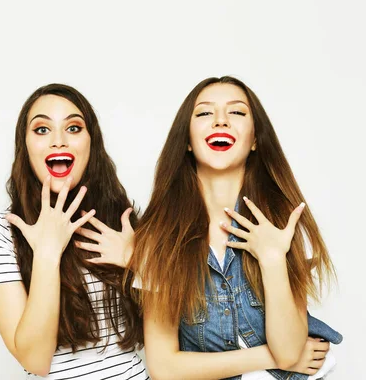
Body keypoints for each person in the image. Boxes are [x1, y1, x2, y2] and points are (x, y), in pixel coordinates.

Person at [128, 76, 342, 380]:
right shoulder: (159, 237)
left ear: (255, 139)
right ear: (187, 140)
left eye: (237, 112)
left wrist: (272, 260)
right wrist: (270, 357)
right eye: (204, 113)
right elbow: (164, 368)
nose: (220, 121)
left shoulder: (284, 221)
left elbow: (289, 347)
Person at [0, 83, 148, 379]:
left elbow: (177, 333)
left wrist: (137, 262)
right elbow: (35, 361)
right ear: (25, 146)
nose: (58, 141)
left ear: (92, 144)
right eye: (42, 130)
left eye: (73, 128)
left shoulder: (122, 223)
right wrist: (47, 253)